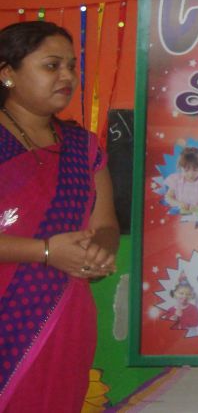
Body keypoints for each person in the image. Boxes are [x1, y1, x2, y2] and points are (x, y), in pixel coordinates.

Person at [0, 21, 119, 411]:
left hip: (64, 315)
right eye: (52, 66)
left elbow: (105, 224)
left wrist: (100, 251)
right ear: (8, 73)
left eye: (71, 66)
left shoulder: (83, 147)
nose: (67, 76)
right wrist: (46, 252)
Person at [164, 146, 198, 213]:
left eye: (195, 170)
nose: (190, 174)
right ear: (180, 168)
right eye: (186, 170)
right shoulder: (176, 179)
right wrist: (178, 203)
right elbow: (168, 197)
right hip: (180, 214)